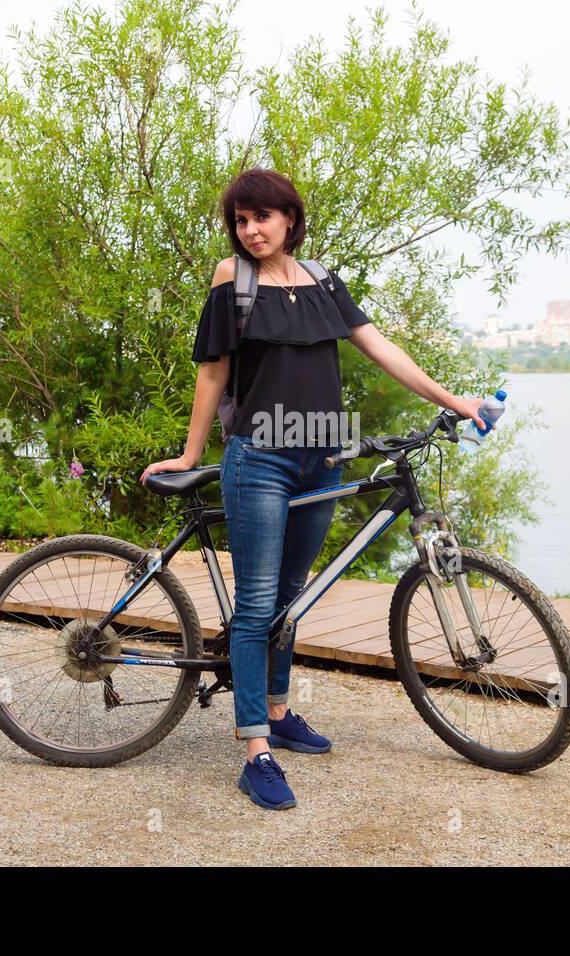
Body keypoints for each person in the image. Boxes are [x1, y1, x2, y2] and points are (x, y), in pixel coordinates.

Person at [140, 167, 486, 810]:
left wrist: (452, 399)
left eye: (261, 217)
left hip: (320, 460)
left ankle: (276, 709)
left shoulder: (324, 281)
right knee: (257, 603)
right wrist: (191, 452)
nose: (250, 231)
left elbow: (380, 347)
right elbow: (213, 373)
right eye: (241, 221)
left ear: (289, 218)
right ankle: (255, 753)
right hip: (260, 461)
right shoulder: (231, 281)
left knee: (291, 599)